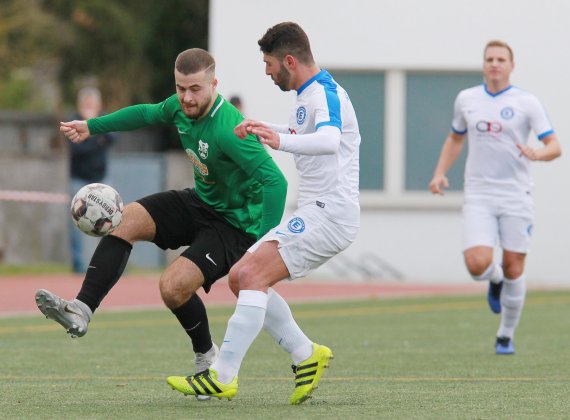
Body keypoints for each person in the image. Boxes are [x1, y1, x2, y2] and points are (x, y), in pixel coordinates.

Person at [35, 49, 288, 396]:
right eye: (181, 88)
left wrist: (261, 246)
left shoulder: (230, 129)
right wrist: (93, 126)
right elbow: (145, 113)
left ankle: (206, 359)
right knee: (124, 221)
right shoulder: (179, 105)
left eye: (196, 89)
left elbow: (277, 182)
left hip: (235, 227)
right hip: (200, 203)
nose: (186, 97)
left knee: (172, 287)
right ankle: (81, 309)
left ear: (214, 84)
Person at [167, 22, 361, 404]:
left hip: (330, 212)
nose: (267, 72)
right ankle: (306, 354)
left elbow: (329, 140)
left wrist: (281, 140)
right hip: (318, 209)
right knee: (240, 276)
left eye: (270, 64)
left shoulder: (323, 93)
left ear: (289, 60)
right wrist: (261, 127)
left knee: (252, 273)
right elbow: (304, 132)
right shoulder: (308, 95)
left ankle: (223, 376)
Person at [428, 40, 561, 355]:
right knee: (477, 264)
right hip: (479, 192)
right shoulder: (467, 99)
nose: (495, 64)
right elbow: (455, 138)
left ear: (512, 65)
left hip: (516, 194)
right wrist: (439, 172)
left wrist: (538, 154)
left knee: (515, 266)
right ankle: (494, 279)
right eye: (490, 58)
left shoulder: (527, 102)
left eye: (501, 59)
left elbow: (555, 145)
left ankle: (506, 334)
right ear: (484, 64)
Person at [68, 87, 115, 273]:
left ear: (98, 105)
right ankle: (79, 264)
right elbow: (77, 150)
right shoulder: (73, 121)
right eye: (85, 105)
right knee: (77, 222)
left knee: (111, 220)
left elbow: (112, 138)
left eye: (91, 104)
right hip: (78, 180)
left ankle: (110, 261)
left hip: (102, 181)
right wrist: (97, 139)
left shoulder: (104, 120)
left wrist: (92, 127)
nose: (88, 107)